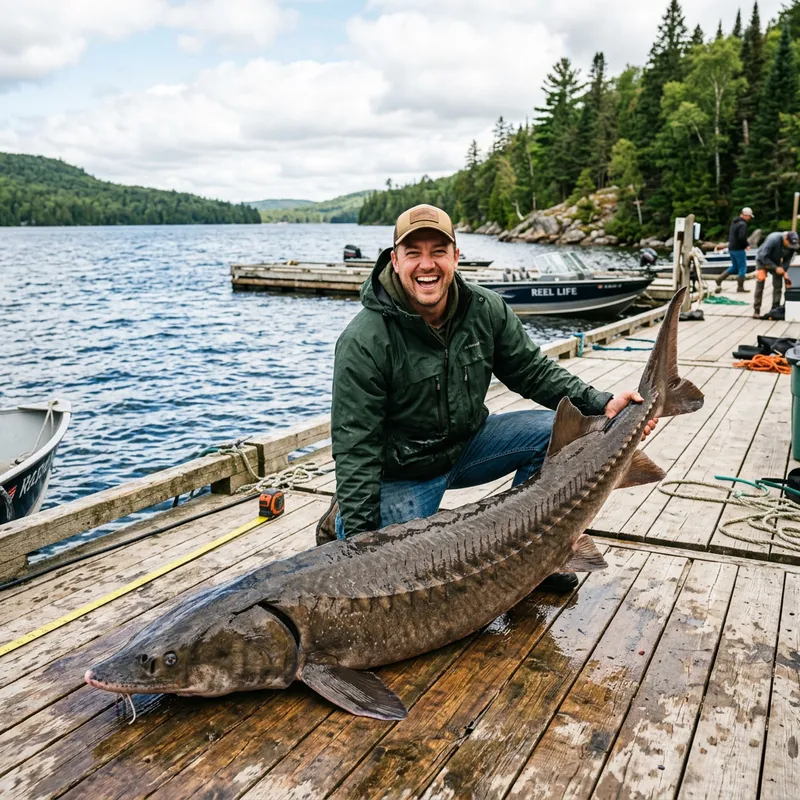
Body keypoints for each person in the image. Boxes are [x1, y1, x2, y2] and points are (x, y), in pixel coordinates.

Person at [318, 204, 657, 592]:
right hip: (403, 470)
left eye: (438, 252)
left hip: (468, 445)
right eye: (413, 253)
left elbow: (532, 372)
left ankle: (537, 549)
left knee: (561, 437)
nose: (426, 265)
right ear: (395, 261)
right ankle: (341, 516)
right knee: (391, 570)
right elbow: (355, 446)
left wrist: (601, 403)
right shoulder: (364, 339)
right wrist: (361, 541)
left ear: (455, 257)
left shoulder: (486, 309)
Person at [753, 230, 800, 318]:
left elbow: (787, 261)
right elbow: (763, 256)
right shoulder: (773, 239)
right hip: (762, 261)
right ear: (785, 238)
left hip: (776, 262)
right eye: (789, 244)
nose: (790, 247)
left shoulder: (792, 246)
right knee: (760, 283)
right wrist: (775, 268)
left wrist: (785, 272)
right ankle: (756, 310)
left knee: (778, 285)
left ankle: (775, 309)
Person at [715, 207, 753, 294]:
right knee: (742, 268)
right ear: (746, 216)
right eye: (749, 216)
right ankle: (740, 287)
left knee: (735, 267)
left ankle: (719, 279)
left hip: (731, 248)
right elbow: (742, 237)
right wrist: (746, 245)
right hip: (738, 249)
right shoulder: (743, 224)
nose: (749, 218)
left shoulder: (734, 222)